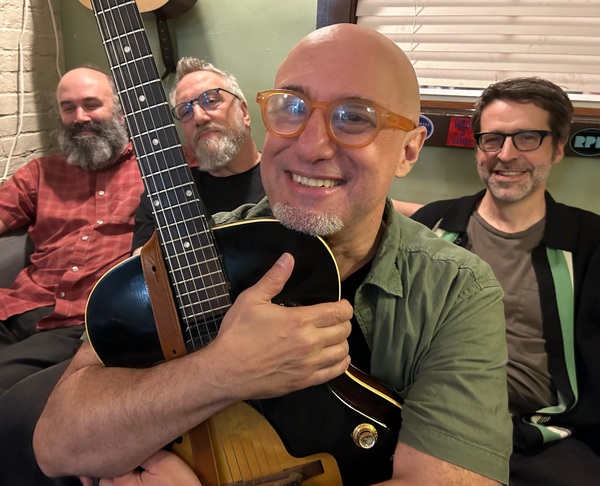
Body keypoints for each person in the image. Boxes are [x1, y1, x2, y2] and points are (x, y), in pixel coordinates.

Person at [34, 24, 512, 485]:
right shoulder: (196, 246)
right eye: (291, 107)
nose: (310, 145)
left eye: (355, 118)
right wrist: (218, 373)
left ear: (409, 151)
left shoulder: (456, 288)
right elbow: (58, 445)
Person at [411, 77, 600, 485]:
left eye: (527, 137)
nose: (506, 155)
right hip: (426, 420)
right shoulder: (432, 225)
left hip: (542, 439)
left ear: (558, 146)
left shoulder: (589, 244)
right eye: (492, 139)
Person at [0, 66, 144, 485]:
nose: (80, 116)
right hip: (16, 307)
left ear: (120, 109)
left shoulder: (154, 172)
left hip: (77, 324)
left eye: (91, 104)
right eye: (68, 108)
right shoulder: (41, 173)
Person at [132, 57, 265, 252]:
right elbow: (143, 269)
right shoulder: (164, 194)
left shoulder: (289, 178)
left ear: (244, 112)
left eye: (210, 101)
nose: (199, 118)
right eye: (185, 111)